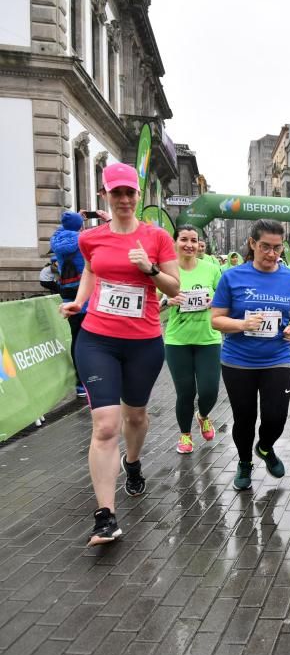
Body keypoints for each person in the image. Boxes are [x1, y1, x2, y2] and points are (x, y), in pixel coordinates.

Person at [60, 163, 180, 545]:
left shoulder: (157, 237)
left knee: (137, 415)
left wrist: (149, 269)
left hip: (144, 341)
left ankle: (132, 462)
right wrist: (79, 302)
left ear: (138, 196)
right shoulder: (91, 238)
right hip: (97, 339)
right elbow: (92, 272)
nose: (125, 199)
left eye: (130, 193)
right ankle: (106, 516)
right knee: (106, 425)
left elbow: (174, 286)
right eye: (117, 193)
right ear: (105, 196)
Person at [211, 219, 290, 491]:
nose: (272, 254)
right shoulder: (233, 277)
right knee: (244, 418)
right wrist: (242, 324)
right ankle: (244, 463)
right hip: (238, 360)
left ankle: (264, 447)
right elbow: (215, 320)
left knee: (276, 418)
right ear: (253, 244)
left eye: (277, 248)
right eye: (265, 247)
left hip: (277, 357)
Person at [161, 225, 223, 454]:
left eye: (194, 240)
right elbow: (153, 305)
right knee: (185, 393)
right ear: (175, 242)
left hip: (209, 338)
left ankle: (203, 415)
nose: (189, 244)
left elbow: (225, 296)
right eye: (184, 239)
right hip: (178, 341)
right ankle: (185, 435)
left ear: (199, 244)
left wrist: (213, 300)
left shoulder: (211, 268)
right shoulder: (166, 270)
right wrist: (167, 301)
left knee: (209, 391)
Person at [51, 211, 89, 395]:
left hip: (68, 295)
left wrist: (74, 222)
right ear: (79, 225)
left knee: (76, 338)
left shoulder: (56, 239)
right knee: (90, 341)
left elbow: (64, 229)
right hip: (85, 295)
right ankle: (90, 380)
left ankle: (80, 383)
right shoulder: (83, 239)